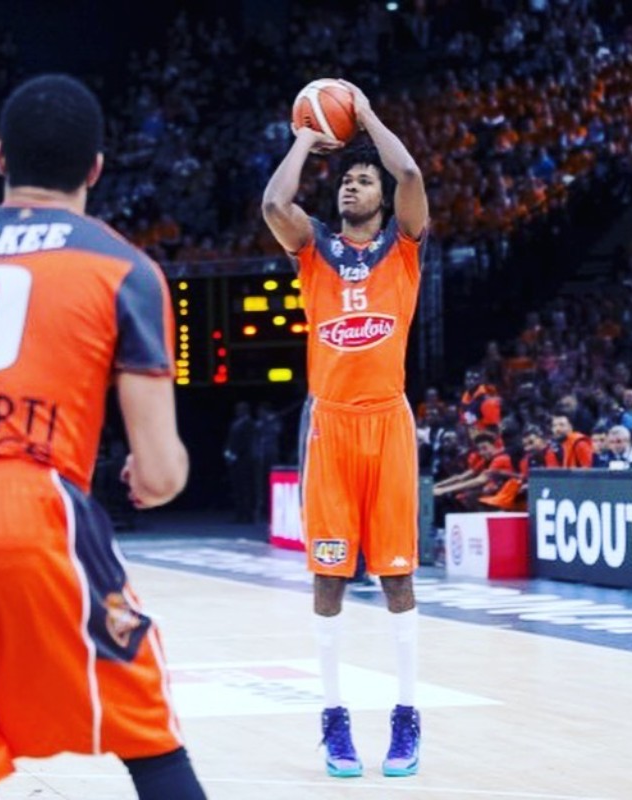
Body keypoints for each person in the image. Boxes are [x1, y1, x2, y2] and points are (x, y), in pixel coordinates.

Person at [0, 75, 206, 800]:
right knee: (152, 740)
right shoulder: (124, 268)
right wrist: (150, 476)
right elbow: (161, 473)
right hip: (28, 511)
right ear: (97, 169)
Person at [262, 79, 428, 779]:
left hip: (388, 422)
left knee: (396, 578)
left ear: (381, 199)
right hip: (329, 428)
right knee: (327, 580)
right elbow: (275, 204)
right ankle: (334, 720)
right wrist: (308, 133)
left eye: (363, 181)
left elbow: (410, 173)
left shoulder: (403, 248)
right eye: (346, 181)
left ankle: (406, 715)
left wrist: (365, 115)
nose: (350, 187)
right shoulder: (314, 251)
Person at [223, 401, 255, 523]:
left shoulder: (249, 423)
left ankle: (248, 515)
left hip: (244, 459)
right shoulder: (235, 423)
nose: (238, 411)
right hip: (235, 459)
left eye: (240, 409)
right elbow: (230, 440)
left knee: (245, 488)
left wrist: (237, 453)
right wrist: (228, 452)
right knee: (237, 488)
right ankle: (239, 514)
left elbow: (247, 442)